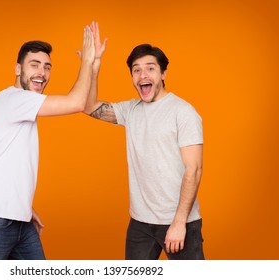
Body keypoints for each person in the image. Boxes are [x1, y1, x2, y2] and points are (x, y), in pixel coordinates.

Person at [0, 25, 95, 260]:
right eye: (34, 65)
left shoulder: (21, 104)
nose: (42, 73)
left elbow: (5, 161)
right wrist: (88, 61)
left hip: (19, 218)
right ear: (17, 69)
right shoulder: (14, 99)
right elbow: (76, 103)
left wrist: (23, 206)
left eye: (47, 67)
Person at [84, 22, 204, 260]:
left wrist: (179, 223)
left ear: (163, 74)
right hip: (140, 223)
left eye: (150, 68)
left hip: (178, 222)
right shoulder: (131, 110)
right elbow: (87, 106)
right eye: (136, 70)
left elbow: (195, 169)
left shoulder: (183, 111)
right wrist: (94, 64)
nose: (143, 75)